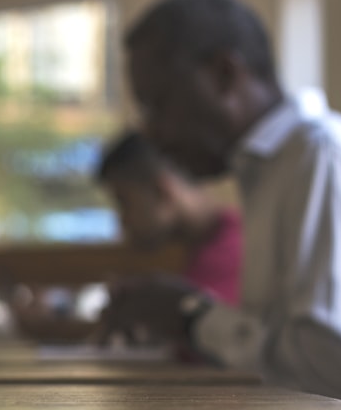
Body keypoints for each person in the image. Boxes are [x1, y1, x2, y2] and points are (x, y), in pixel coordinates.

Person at [99, 0, 341, 410]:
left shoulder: (325, 161)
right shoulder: (276, 172)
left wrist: (191, 316)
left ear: (225, 75)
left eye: (159, 105)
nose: (152, 134)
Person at [96, 131, 241, 307]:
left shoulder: (235, 256)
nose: (123, 220)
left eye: (124, 202)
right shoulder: (209, 247)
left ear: (163, 192)